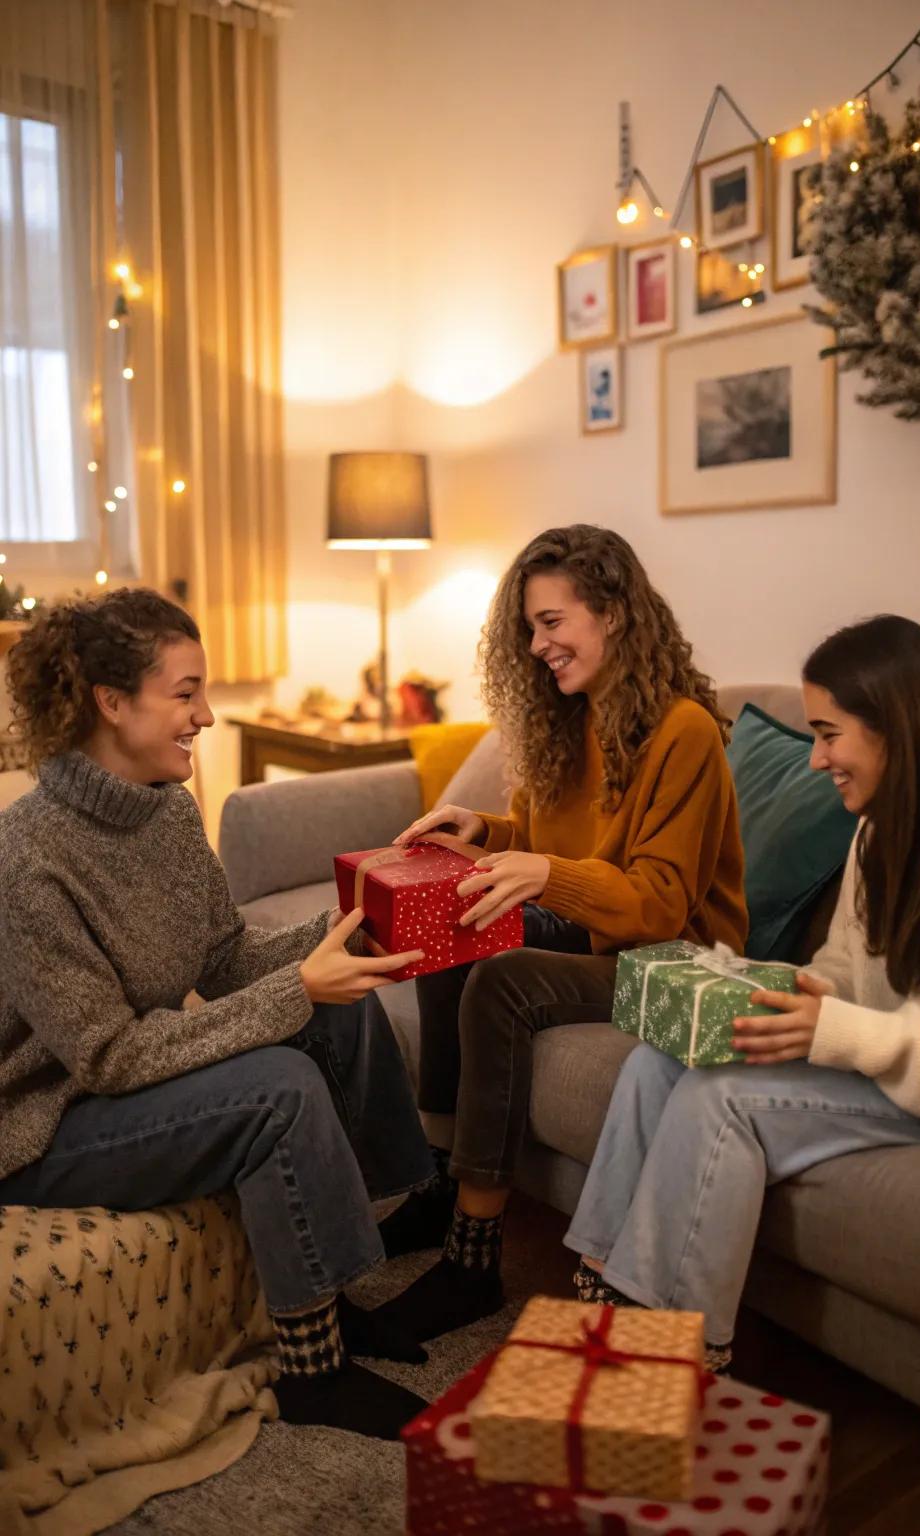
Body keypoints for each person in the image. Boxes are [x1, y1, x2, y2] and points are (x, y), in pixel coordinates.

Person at [0, 588, 437, 1440]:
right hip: (47, 1125)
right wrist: (294, 991)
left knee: (338, 1015)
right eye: (187, 691)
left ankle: (360, 1266)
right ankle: (315, 1371)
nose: (206, 714)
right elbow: (109, 1058)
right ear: (112, 703)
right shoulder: (27, 860)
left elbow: (226, 958)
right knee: (279, 1080)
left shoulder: (167, 808)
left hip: (121, 1082)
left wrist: (360, 920)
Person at [564, 614, 920, 1374]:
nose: (816, 760)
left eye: (828, 734)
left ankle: (671, 1360)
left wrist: (842, 1033)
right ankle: (601, 1308)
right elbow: (844, 966)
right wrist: (774, 996)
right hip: (886, 1065)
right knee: (656, 1063)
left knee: (724, 1098)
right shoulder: (880, 830)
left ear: (896, 727)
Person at [373, 524, 748, 1342]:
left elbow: (658, 903)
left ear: (613, 613)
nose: (539, 645)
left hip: (671, 959)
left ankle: (473, 1259)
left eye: (552, 622)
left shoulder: (683, 731)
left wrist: (541, 874)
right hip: (594, 929)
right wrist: (487, 834)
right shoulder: (567, 720)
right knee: (452, 925)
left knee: (502, 980)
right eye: (531, 628)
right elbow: (557, 853)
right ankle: (441, 1181)